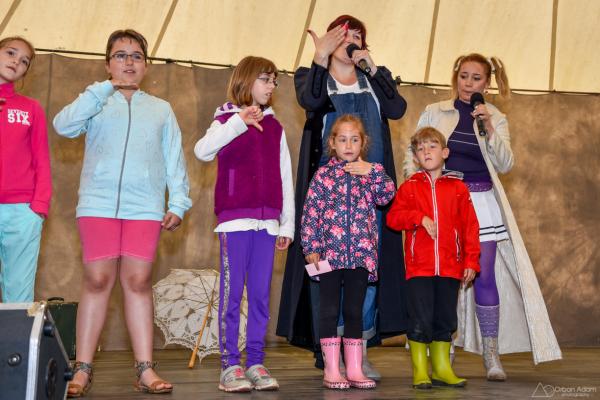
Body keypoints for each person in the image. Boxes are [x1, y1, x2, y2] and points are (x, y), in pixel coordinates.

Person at [403, 53, 562, 380]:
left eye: (476, 78)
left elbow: (505, 164)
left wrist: (488, 126)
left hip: (481, 202)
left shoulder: (496, 117)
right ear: (456, 77)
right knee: (443, 275)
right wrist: (418, 193)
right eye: (464, 76)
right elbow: (412, 154)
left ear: (486, 84)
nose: (468, 83)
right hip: (442, 199)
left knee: (483, 274)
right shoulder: (435, 111)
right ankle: (443, 348)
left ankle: (491, 354)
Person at [53, 29, 191, 396]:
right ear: (107, 63)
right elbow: (63, 126)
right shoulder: (96, 101)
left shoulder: (161, 109)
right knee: (97, 280)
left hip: (144, 206)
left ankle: (145, 368)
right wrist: (101, 90)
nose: (129, 62)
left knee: (139, 281)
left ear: (146, 65)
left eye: (136, 56)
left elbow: (174, 158)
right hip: (97, 203)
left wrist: (178, 202)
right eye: (120, 55)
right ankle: (82, 368)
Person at [277, 14, 408, 378]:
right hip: (329, 201)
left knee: (366, 276)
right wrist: (320, 57)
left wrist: (373, 67)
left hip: (369, 198)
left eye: (357, 37)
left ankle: (359, 350)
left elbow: (397, 109)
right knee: (328, 276)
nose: (350, 42)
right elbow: (311, 100)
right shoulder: (312, 76)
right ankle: (329, 354)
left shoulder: (374, 78)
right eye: (343, 35)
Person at [194, 55, 294, 393]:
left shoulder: (276, 128)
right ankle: (229, 364)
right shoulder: (224, 120)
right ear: (246, 80)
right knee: (232, 294)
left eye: (274, 81)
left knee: (262, 296)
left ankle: (255, 362)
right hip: (234, 223)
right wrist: (238, 121)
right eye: (265, 79)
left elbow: (285, 177)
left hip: (268, 225)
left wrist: (286, 225)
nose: (271, 86)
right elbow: (202, 151)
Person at [302, 114, 395, 389]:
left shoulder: (371, 173)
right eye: (342, 139)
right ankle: (332, 369)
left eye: (354, 139)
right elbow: (310, 213)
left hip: (360, 256)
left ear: (363, 143)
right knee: (329, 310)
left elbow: (387, 195)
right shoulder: (323, 176)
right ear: (332, 143)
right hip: (329, 257)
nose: (348, 145)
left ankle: (354, 369)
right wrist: (311, 247)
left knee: (355, 310)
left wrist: (372, 171)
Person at [388, 127, 479, 388]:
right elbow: (394, 218)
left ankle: (441, 369)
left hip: (451, 267)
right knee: (420, 319)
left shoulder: (458, 188)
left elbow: (470, 227)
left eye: (432, 146)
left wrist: (471, 261)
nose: (426, 152)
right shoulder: (409, 187)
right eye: (420, 148)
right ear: (416, 157)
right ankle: (420, 371)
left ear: (445, 152)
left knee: (445, 320)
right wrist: (418, 218)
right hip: (419, 269)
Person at [0, 36, 52, 303]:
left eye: (24, 61)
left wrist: (38, 207)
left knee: (19, 292)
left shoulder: (31, 108)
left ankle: (15, 335)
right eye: (10, 53)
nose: (16, 62)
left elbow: (41, 158)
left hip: (22, 210)